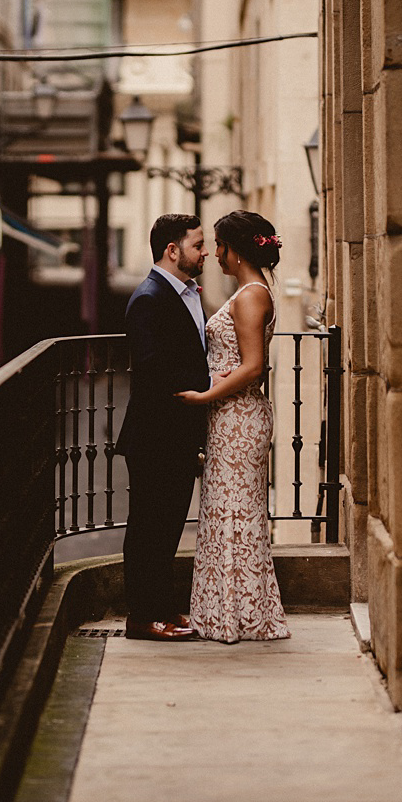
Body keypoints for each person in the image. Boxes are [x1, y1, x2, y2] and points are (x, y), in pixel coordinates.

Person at [176, 210, 292, 643]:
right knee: (227, 512)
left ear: (234, 249)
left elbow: (255, 366)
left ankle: (239, 616)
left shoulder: (250, 295)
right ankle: (230, 613)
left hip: (239, 417)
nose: (214, 254)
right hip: (231, 416)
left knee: (235, 515)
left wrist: (205, 396)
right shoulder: (249, 290)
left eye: (218, 246)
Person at [114, 213, 209, 642]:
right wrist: (206, 390)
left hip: (178, 434)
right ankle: (141, 618)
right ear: (172, 251)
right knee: (148, 529)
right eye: (198, 244)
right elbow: (152, 370)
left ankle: (166, 608)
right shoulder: (148, 298)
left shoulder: (185, 292)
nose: (205, 252)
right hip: (156, 435)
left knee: (169, 527)